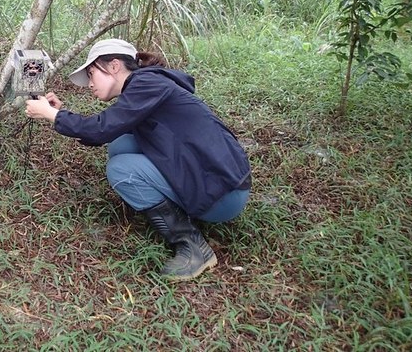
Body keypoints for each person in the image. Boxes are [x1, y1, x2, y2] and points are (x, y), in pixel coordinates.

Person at [25, 38, 251, 280]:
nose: (89, 84)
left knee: (122, 169)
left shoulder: (146, 84)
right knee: (122, 145)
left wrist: (53, 115)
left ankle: (192, 246)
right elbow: (107, 129)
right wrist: (60, 114)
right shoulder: (147, 85)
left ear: (113, 66)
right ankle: (167, 205)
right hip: (219, 179)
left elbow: (100, 129)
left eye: (92, 74)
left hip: (222, 193)